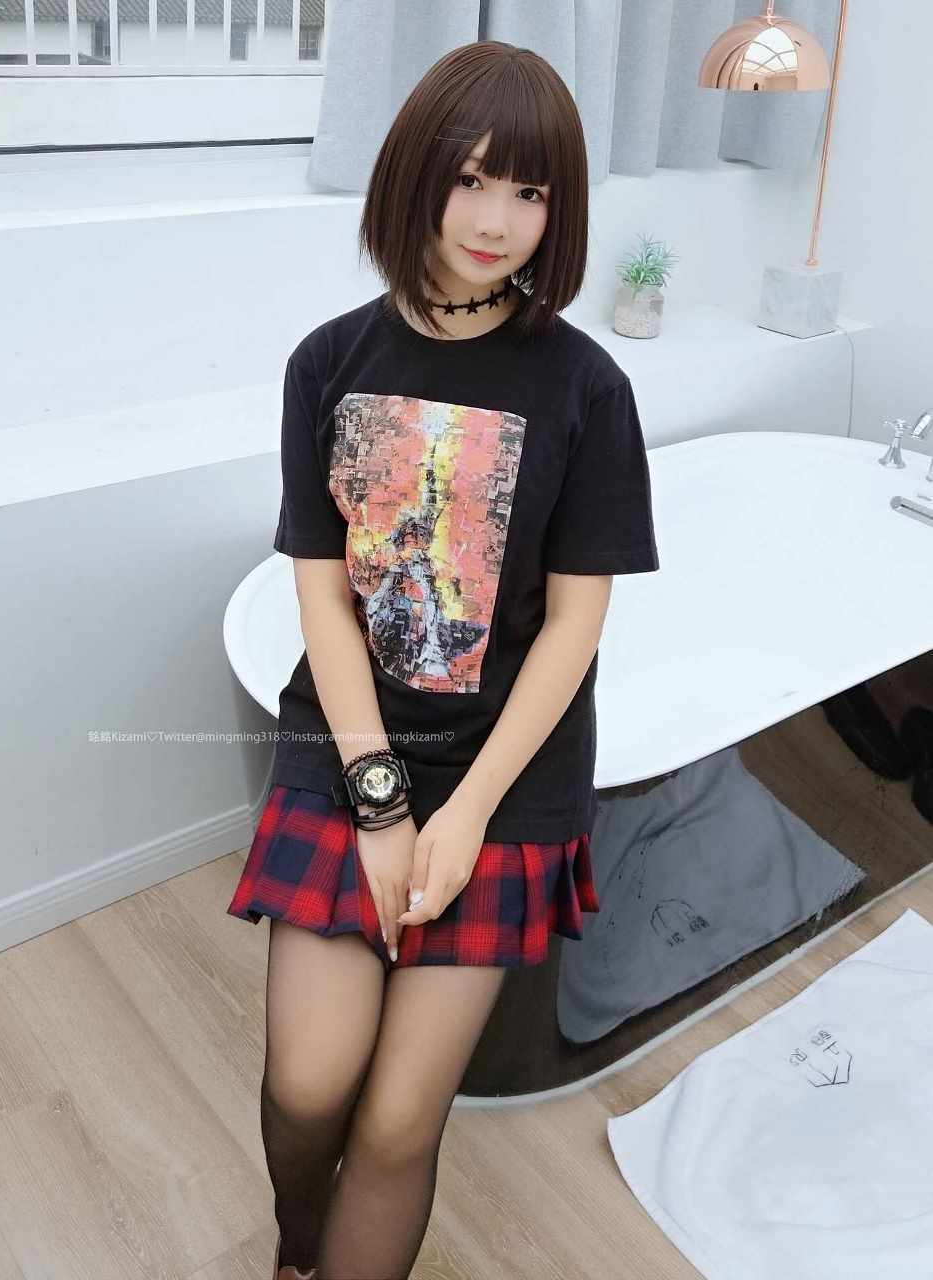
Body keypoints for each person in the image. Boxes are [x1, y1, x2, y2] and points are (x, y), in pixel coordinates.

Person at [226, 38, 660, 1280]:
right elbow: (322, 593)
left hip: (506, 782)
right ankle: (297, 1246)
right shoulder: (329, 362)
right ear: (416, 174)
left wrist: (462, 816)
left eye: (530, 192)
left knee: (398, 1119)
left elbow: (573, 627)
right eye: (471, 179)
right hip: (353, 747)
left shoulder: (586, 387)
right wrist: (378, 801)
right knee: (308, 1085)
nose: (495, 220)